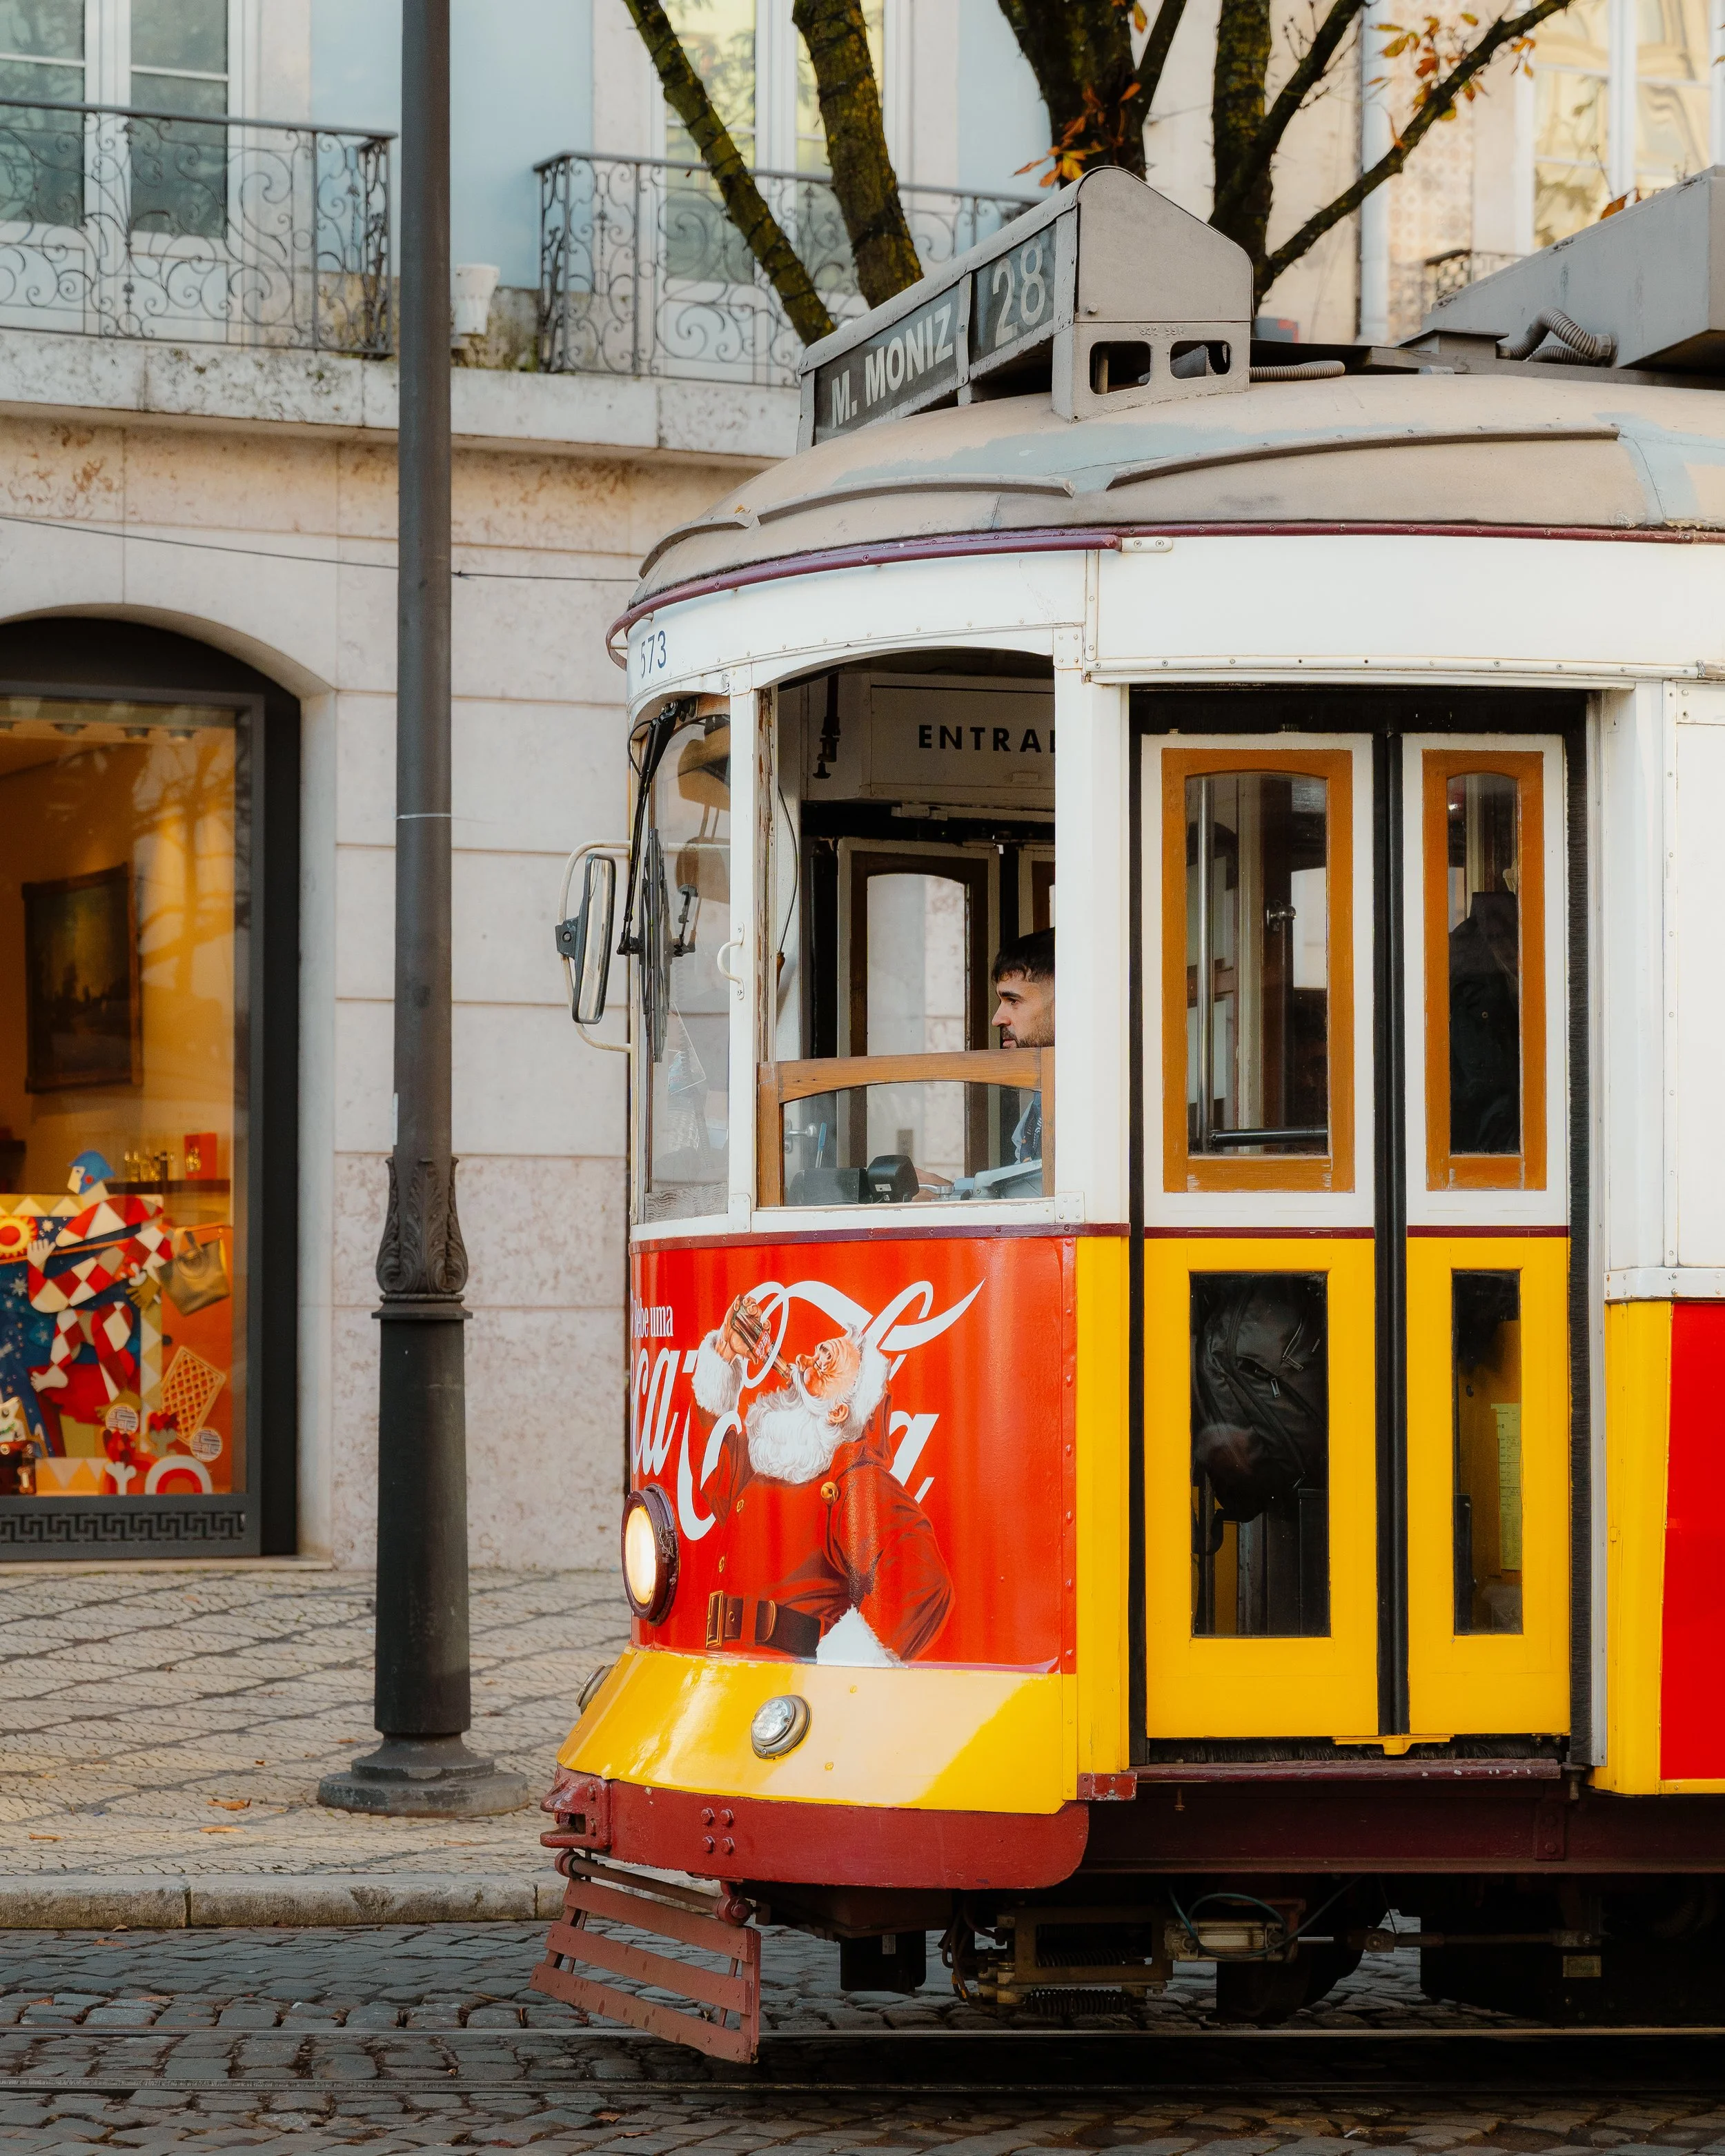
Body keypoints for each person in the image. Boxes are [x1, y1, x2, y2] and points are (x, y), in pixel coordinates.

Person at [689, 1292, 953, 1665]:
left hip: (788, 1688)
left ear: (839, 1410)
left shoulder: (851, 1480)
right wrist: (724, 1357)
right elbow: (714, 1475)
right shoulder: (773, 1455)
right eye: (815, 1353)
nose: (802, 1360)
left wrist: (848, 1660)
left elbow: (922, 1581)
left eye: (824, 1363)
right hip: (728, 1671)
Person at [989, 927, 1052, 1165]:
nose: (997, 1019)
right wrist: (946, 1191)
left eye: (1013, 1000)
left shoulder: (1102, 1099)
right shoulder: (1041, 1097)